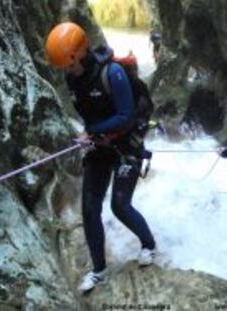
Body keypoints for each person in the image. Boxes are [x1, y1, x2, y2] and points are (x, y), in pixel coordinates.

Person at [46, 22, 156, 292]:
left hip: (127, 145)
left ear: (80, 53)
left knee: (120, 205)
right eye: (62, 66)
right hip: (100, 147)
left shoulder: (113, 73)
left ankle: (149, 245)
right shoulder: (72, 79)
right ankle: (99, 271)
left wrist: (93, 131)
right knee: (89, 210)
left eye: (68, 64)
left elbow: (125, 115)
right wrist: (93, 135)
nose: (66, 70)